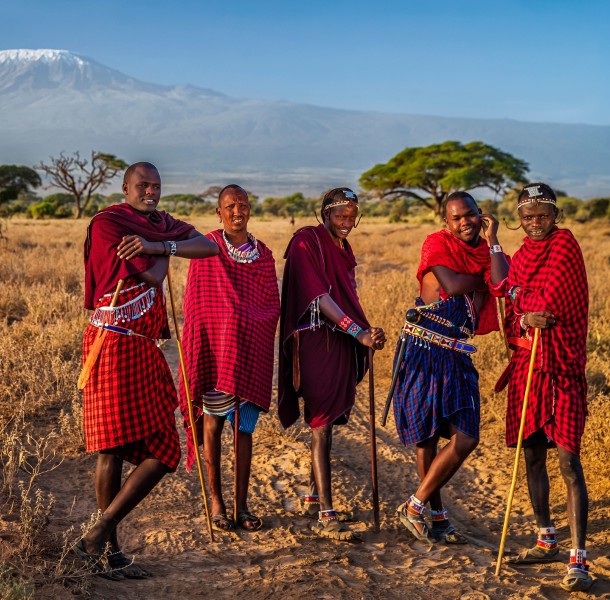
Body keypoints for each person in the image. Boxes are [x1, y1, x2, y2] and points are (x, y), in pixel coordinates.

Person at [78, 162, 218, 578]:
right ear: (125, 188)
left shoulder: (160, 224)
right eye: (143, 185)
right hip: (112, 341)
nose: (151, 192)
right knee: (113, 448)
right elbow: (155, 277)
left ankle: (98, 533)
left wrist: (158, 244)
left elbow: (207, 246)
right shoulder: (108, 224)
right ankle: (109, 551)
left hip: (143, 345)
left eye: (156, 186)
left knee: (164, 450)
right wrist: (165, 248)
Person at [490, 183, 592, 592]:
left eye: (543, 216)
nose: (536, 223)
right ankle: (545, 535)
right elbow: (511, 306)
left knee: (568, 461)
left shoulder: (565, 246)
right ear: (520, 218)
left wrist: (520, 301)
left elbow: (548, 305)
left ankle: (578, 558)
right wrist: (520, 306)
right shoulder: (522, 255)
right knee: (532, 454)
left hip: (561, 368)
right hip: (527, 366)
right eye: (528, 217)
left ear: (556, 216)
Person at [390, 191, 508, 544]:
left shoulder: (488, 252)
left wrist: (495, 242)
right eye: (456, 218)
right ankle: (437, 517)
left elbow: (501, 284)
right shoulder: (436, 243)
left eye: (470, 215)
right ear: (446, 222)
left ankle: (414, 506)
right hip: (425, 348)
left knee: (466, 437)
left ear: (480, 215)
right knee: (426, 438)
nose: (464, 222)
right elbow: (453, 285)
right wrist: (483, 278)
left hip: (457, 352)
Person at [278, 187, 386, 541]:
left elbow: (346, 295)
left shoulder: (343, 247)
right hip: (314, 339)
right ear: (324, 213)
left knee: (329, 423)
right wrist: (358, 332)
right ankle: (326, 515)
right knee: (321, 425)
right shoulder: (305, 242)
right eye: (341, 215)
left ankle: (312, 497)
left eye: (353, 217)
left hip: (337, 339)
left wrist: (364, 331)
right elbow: (319, 296)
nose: (347, 222)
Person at [179, 184, 280, 533]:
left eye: (243, 205)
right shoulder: (208, 248)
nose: (237, 211)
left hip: (251, 354)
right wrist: (230, 321)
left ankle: (242, 505)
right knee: (213, 426)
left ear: (250, 209)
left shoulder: (263, 255)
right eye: (230, 206)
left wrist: (247, 322)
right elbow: (197, 307)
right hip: (216, 356)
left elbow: (271, 307)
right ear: (219, 213)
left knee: (244, 431)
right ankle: (217, 503)